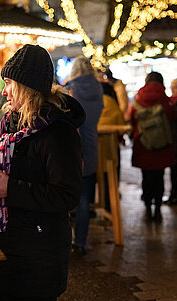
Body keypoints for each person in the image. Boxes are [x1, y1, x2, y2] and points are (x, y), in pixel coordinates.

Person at [0, 44, 85, 301]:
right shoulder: (7, 123)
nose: (4, 91)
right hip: (4, 247)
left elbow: (66, 195)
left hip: (38, 255)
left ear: (27, 86)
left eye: (8, 83)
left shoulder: (57, 132)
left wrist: (10, 188)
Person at [66, 56, 103, 255]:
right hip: (91, 146)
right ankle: (80, 241)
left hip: (72, 148)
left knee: (62, 197)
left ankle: (63, 242)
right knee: (85, 198)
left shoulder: (70, 89)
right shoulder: (99, 89)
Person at [130, 72, 175, 222]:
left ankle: (148, 207)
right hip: (161, 145)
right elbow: (171, 117)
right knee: (159, 177)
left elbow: (131, 118)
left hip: (144, 144)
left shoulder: (139, 98)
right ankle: (157, 210)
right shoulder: (164, 98)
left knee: (146, 177)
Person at [97, 70, 126, 213]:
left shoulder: (93, 105)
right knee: (110, 180)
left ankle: (96, 207)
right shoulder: (113, 105)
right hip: (110, 151)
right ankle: (109, 207)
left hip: (94, 151)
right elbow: (121, 127)